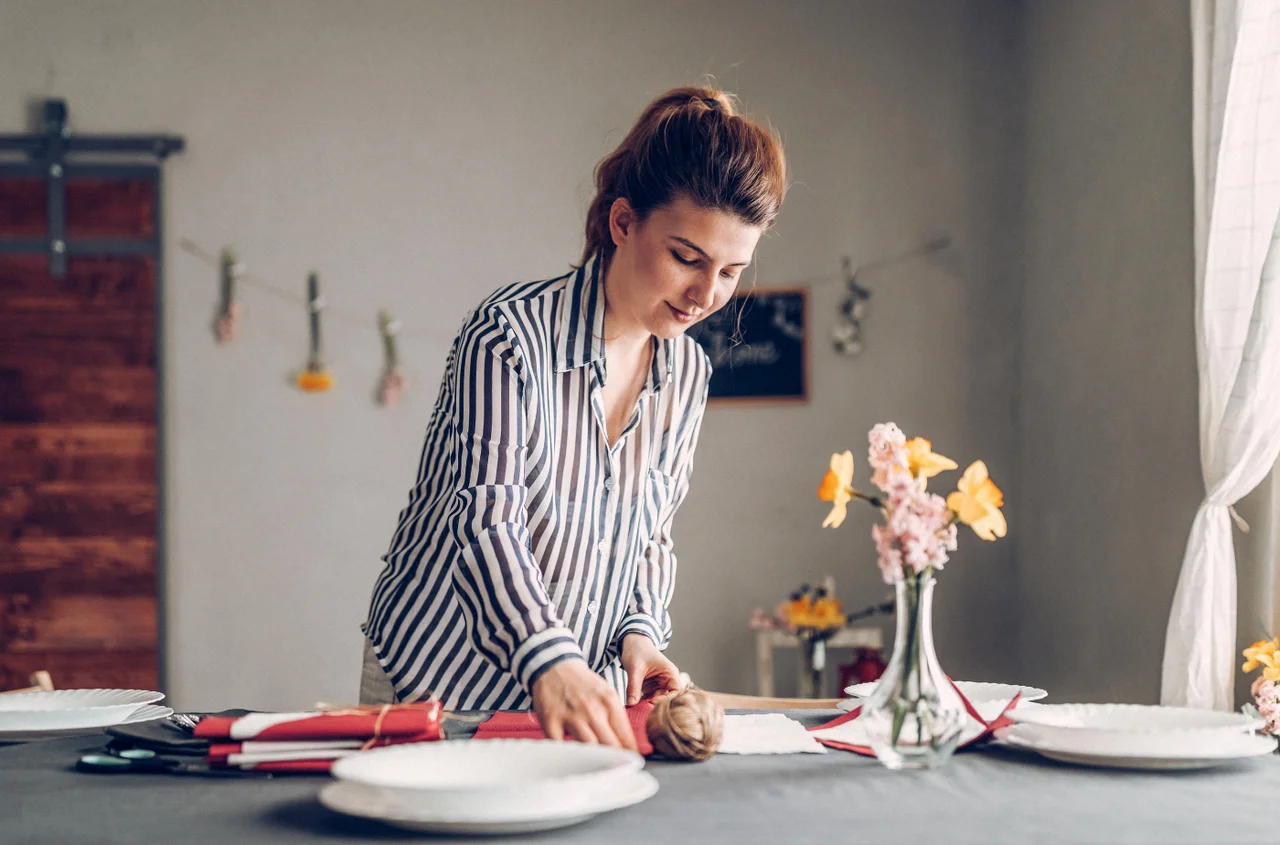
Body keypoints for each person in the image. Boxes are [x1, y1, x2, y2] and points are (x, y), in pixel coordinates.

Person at [360, 85, 787, 750]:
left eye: (731, 271)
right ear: (623, 222)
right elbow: (485, 522)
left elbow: (651, 536)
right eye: (687, 257)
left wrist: (640, 633)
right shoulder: (508, 337)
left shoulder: (688, 374)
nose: (707, 295)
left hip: (573, 695)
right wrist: (549, 658)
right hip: (437, 684)